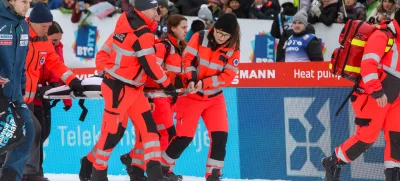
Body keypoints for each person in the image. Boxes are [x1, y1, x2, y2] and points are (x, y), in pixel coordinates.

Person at [78, 1, 178, 181]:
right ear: (144, 9)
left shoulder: (127, 21)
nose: (158, 11)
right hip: (119, 90)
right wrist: (168, 85)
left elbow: (110, 52)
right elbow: (150, 65)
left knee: (150, 131)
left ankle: (155, 175)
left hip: (133, 90)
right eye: (154, 8)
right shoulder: (141, 32)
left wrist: (114, 71)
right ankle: (96, 171)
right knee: (112, 135)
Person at [160, 13, 241, 181]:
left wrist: (204, 83)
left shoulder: (234, 49)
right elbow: (187, 58)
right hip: (191, 96)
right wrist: (190, 79)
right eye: (218, 32)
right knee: (184, 137)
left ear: (231, 35)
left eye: (225, 35)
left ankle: (213, 174)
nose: (220, 37)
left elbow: (227, 77)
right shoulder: (200, 36)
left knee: (220, 137)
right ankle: (163, 170)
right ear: (215, 28)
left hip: (214, 98)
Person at [322, 9, 400, 181]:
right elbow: (368, 64)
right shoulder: (382, 35)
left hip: (396, 97)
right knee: (366, 138)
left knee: (397, 138)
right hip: (372, 95)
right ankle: (334, 162)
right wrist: (377, 91)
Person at [120, 14, 188, 181]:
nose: (187, 30)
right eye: (183, 27)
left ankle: (137, 166)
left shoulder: (179, 47)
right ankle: (159, 169)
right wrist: (169, 83)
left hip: (169, 97)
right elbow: (152, 71)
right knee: (165, 134)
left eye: (187, 27)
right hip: (157, 96)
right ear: (173, 28)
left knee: (153, 135)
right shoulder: (163, 46)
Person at [22, 3, 84, 180]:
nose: (46, 29)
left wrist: (72, 80)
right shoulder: (20, 35)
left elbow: (55, 63)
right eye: (43, 26)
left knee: (32, 132)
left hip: (28, 100)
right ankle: (27, 173)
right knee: (29, 131)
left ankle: (28, 173)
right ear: (33, 22)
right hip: (12, 96)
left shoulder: (43, 41)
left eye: (48, 26)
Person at [31, 20, 72, 180]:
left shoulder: (57, 49)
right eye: (54, 40)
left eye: (59, 40)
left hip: (46, 95)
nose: (57, 44)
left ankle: (35, 170)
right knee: (36, 135)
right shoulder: (36, 47)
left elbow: (58, 69)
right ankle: (34, 171)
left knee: (43, 133)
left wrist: (65, 98)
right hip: (32, 97)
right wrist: (38, 87)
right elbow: (32, 70)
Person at [0, 0, 33, 179]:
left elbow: (21, 63)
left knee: (28, 130)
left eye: (29, 1)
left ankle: (10, 176)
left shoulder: (23, 26)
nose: (28, 5)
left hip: (15, 95)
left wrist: (21, 86)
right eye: (23, 1)